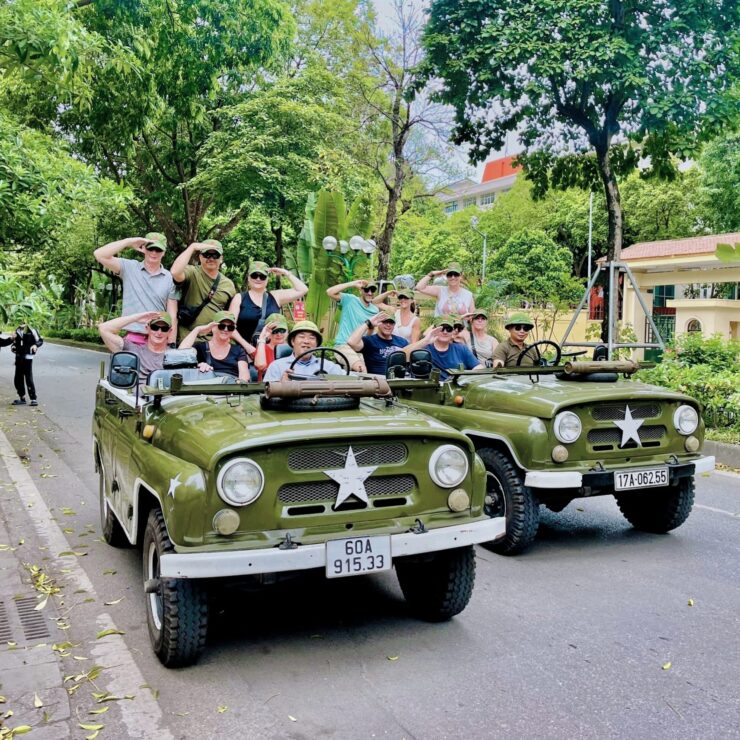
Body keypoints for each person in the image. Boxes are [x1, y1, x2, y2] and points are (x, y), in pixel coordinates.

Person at [93, 233, 178, 345]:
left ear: (164, 253)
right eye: (150, 248)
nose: (154, 253)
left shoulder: (170, 278)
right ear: (143, 248)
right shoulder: (129, 267)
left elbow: (172, 314)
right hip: (132, 338)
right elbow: (99, 254)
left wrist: (171, 344)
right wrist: (129, 241)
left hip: (158, 338)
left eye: (158, 250)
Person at [170, 240, 236, 342]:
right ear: (200, 257)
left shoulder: (228, 284)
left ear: (221, 258)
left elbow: (230, 315)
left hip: (214, 341)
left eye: (215, 255)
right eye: (207, 254)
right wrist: (192, 247)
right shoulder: (192, 272)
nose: (211, 258)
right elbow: (175, 272)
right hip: (188, 338)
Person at [229, 262, 308, 343]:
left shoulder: (276, 296)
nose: (258, 279)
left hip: (269, 350)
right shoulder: (239, 298)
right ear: (248, 278)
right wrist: (248, 348)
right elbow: (230, 326)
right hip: (243, 350)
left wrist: (285, 273)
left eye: (262, 276)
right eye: (254, 275)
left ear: (267, 279)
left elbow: (303, 289)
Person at [98, 311, 171, 387]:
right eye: (154, 327)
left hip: (166, 397)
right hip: (135, 397)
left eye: (164, 329)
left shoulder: (174, 356)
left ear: (170, 331)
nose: (159, 332)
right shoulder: (133, 350)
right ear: (147, 328)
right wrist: (136, 318)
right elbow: (103, 328)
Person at [403, 315, 483, 381]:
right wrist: (425, 340)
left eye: (448, 329)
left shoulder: (461, 348)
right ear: (434, 330)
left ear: (453, 331)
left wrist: (466, 379)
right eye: (441, 329)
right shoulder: (425, 347)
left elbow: (478, 367)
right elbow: (402, 355)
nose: (445, 332)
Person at [263, 320, 347, 382]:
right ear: (293, 341)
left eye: (312, 338)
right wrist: (281, 385)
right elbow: (266, 396)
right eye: (302, 336)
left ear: (317, 344)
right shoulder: (277, 366)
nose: (306, 341)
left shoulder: (328, 366)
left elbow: (352, 378)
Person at [326, 279, 380, 372]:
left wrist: (371, 328)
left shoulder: (375, 310)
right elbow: (330, 292)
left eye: (372, 290)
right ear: (361, 290)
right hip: (343, 345)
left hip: (360, 348)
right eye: (367, 290)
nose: (370, 293)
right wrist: (353, 283)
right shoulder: (350, 299)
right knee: (361, 369)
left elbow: (369, 334)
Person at [179, 311, 250, 381]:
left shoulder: (239, 350)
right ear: (213, 327)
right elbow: (181, 354)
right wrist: (197, 329)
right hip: (207, 387)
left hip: (230, 387)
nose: (226, 329)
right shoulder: (201, 347)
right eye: (221, 326)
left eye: (230, 327)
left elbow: (244, 377)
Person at [1, 324, 44, 406]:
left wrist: (35, 345)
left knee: (28, 377)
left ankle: (33, 399)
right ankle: (22, 398)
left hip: (28, 356)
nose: (22, 322)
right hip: (18, 357)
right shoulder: (17, 330)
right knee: (17, 378)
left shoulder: (32, 329)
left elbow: (40, 340)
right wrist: (13, 347)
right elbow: (14, 343)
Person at [253, 312, 289, 380]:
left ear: (287, 331)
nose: (279, 334)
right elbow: (260, 366)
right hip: (268, 386)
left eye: (282, 330)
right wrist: (262, 338)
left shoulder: (292, 348)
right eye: (274, 331)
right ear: (268, 333)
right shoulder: (263, 348)